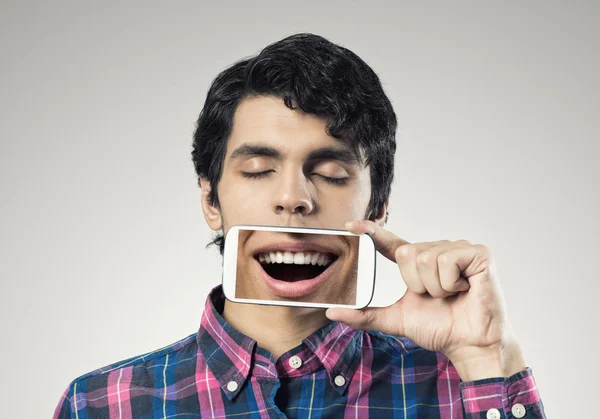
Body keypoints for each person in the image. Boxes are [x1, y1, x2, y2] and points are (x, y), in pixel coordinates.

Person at [53, 33, 546, 418]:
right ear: (211, 200)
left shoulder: (465, 387)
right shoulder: (102, 405)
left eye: (331, 174)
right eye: (258, 171)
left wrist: (487, 359)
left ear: (376, 210)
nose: (293, 199)